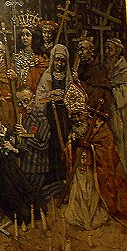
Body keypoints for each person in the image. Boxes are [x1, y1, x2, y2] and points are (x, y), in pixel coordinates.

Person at [62, 84, 127, 229]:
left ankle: (95, 217)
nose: (76, 119)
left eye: (79, 114)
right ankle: (79, 217)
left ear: (85, 113)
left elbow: (107, 149)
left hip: (94, 171)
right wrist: (73, 145)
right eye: (73, 116)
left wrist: (91, 147)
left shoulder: (99, 127)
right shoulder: (75, 129)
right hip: (79, 170)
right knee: (79, 192)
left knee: (92, 194)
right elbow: (68, 148)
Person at [0, 107, 41, 225]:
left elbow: (22, 151)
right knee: (8, 196)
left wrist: (13, 148)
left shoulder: (9, 133)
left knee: (24, 192)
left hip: (12, 169)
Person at [34, 43, 74, 185]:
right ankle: (53, 177)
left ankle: (66, 174)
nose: (59, 64)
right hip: (51, 116)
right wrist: (51, 94)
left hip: (65, 116)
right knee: (52, 144)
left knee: (66, 143)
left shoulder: (69, 77)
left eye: (62, 61)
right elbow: (40, 97)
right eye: (57, 60)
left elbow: (74, 95)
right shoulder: (47, 76)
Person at [105, 37, 127, 177]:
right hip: (114, 107)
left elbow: (126, 89)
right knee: (117, 136)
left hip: (124, 105)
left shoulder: (124, 68)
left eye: (110, 49)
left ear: (117, 51)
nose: (106, 52)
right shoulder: (107, 67)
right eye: (106, 49)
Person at [74, 35, 113, 116]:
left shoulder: (99, 70)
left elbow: (97, 94)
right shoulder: (80, 68)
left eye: (82, 49)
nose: (80, 53)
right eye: (78, 50)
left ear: (91, 51)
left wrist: (79, 83)